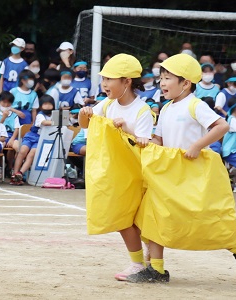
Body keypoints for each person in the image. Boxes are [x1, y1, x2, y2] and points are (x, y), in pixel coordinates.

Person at [127, 53, 236, 284]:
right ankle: (156, 269)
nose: (162, 83)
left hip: (190, 173)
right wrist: (143, 141)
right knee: (154, 214)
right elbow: (159, 139)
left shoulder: (194, 105)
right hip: (168, 173)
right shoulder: (166, 108)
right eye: (161, 78)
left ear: (186, 83)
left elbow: (222, 125)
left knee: (204, 221)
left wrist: (198, 145)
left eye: (168, 78)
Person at [79, 54, 154, 281]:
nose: (104, 84)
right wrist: (85, 114)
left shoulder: (142, 110)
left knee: (136, 221)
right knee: (123, 220)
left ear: (126, 81)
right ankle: (139, 263)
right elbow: (85, 125)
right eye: (104, 79)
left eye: (109, 79)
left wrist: (126, 131)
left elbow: (145, 144)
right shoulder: (108, 104)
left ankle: (144, 262)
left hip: (136, 175)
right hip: (116, 174)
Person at [10, 95, 55, 185]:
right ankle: (14, 174)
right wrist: (59, 121)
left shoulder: (55, 114)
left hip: (41, 139)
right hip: (31, 136)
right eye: (45, 104)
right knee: (22, 151)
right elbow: (44, 123)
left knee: (32, 154)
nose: (47, 106)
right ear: (41, 105)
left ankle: (20, 174)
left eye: (49, 104)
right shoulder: (40, 115)